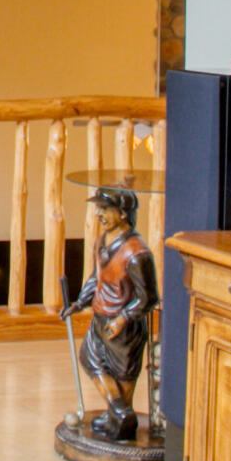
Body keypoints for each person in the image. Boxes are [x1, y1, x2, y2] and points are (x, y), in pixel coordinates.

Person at [68, 188, 158, 443]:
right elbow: (96, 277)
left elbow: (148, 297)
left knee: (123, 374)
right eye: (98, 208)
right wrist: (80, 302)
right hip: (101, 316)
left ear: (123, 213)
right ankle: (118, 412)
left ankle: (121, 420)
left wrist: (122, 319)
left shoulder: (136, 253)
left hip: (124, 325)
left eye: (105, 209)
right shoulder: (103, 241)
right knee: (91, 359)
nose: (99, 214)